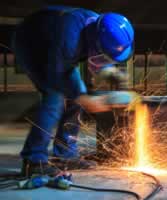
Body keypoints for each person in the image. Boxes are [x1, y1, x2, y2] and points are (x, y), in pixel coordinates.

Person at [12, 6, 134, 177]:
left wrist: (109, 71)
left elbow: (100, 53)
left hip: (57, 49)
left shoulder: (99, 29)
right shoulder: (69, 37)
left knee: (77, 95)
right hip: (32, 45)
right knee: (54, 97)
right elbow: (56, 77)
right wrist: (85, 100)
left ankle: (65, 154)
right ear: (95, 42)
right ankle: (33, 161)